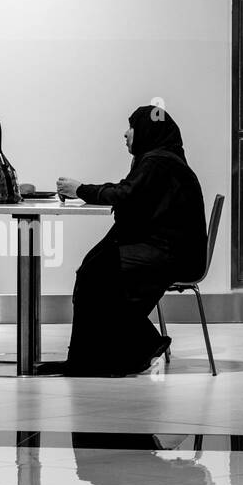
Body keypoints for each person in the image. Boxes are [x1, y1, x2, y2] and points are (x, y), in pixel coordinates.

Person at [44, 105, 207, 377]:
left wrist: (81, 189)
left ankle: (118, 352)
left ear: (146, 130)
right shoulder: (160, 158)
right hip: (169, 248)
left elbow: (125, 195)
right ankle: (117, 352)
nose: (125, 134)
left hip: (170, 254)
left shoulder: (157, 161)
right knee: (98, 267)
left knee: (95, 272)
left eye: (131, 127)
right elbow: (129, 190)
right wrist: (87, 190)